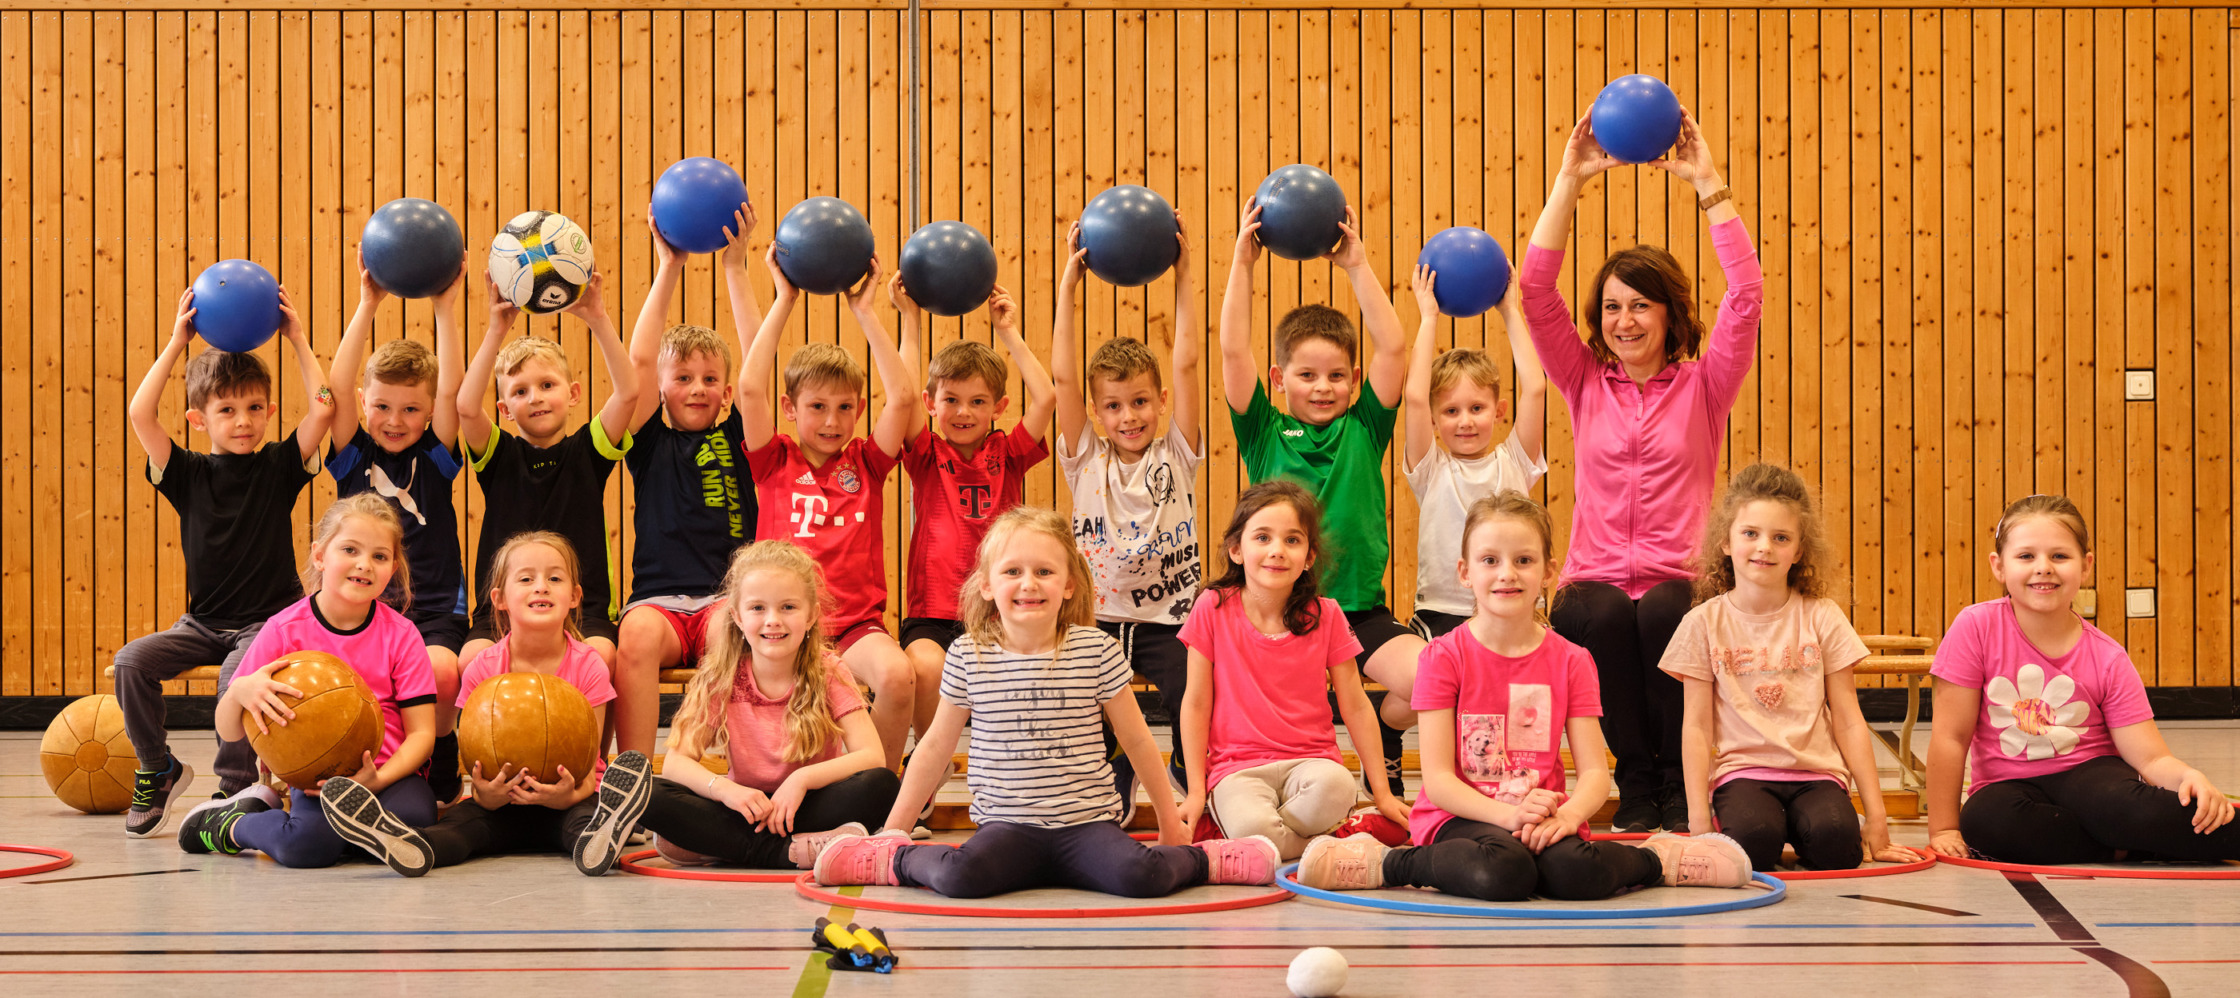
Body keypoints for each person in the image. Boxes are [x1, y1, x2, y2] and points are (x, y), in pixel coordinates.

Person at [1297, 492, 1754, 899]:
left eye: (1523, 560)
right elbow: (1437, 781)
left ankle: (1660, 859)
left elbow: (1595, 772)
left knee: (1577, 873)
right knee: (1503, 871)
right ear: (1464, 572)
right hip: (1461, 816)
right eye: (1490, 560)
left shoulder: (1572, 660)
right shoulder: (1443, 656)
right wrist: (1507, 817)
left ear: (1549, 571)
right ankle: (1387, 863)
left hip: (1542, 817)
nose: (1507, 574)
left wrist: (1567, 814)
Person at [813, 507, 1278, 897]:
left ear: (1069, 584)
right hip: (1007, 828)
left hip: (1088, 826)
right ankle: (891, 861)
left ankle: (1206, 861)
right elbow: (933, 749)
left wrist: (1172, 829)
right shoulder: (967, 655)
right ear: (987, 585)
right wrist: (894, 831)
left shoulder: (1097, 650)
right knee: (959, 877)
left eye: (1044, 572)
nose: (1029, 583)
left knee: (1143, 875)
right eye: (1012, 572)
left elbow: (1137, 740)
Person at [1522, 107, 1761, 832]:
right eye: (1613, 307)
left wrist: (1708, 183)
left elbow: (1746, 297)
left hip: (1677, 573)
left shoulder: (1705, 384)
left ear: (1668, 314)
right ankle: (1634, 779)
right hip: (1595, 573)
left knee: (1664, 611)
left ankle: (1671, 777)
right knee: (1589, 613)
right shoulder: (1583, 379)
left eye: (1641, 306)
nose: (1625, 320)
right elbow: (1535, 292)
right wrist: (1568, 180)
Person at [115, 283, 333, 837]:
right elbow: (140, 413)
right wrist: (175, 343)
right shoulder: (187, 473)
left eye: (255, 408)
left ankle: (235, 790)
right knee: (131, 663)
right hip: (202, 623)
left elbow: (326, 408)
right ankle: (157, 769)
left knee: (237, 678)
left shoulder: (280, 465)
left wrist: (298, 338)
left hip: (266, 622)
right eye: (227, 410)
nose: (244, 421)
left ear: (270, 411)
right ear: (197, 419)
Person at [1219, 198, 1419, 798]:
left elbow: (1393, 350)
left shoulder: (1366, 426)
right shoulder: (1263, 431)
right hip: (1284, 617)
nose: (1323, 387)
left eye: (1336, 376)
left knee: (1436, 680)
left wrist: (1358, 265)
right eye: (1306, 375)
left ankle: (1386, 735)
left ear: (1355, 381)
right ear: (1279, 379)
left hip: (1359, 612)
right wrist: (1243, 265)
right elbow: (1233, 352)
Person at [1926, 495, 2240, 865]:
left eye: (2060, 556)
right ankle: (2122, 844)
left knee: (2125, 809)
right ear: (1999, 566)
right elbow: (1950, 736)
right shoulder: (1975, 627)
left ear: (2086, 565)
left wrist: (2191, 776)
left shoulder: (2107, 656)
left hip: (2092, 777)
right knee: (1987, 823)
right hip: (2007, 787)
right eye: (2026, 556)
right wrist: (1944, 828)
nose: (2043, 568)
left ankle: (2133, 832)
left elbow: (2151, 758)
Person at [573, 541, 901, 875]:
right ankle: (793, 851)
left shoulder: (829, 670)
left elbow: (872, 756)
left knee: (882, 785)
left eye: (788, 607)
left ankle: (724, 848)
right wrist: (726, 790)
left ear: (812, 614)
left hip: (807, 804)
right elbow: (676, 762)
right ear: (737, 617)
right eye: (758, 608)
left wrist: (801, 780)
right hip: (744, 809)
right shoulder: (722, 676)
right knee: (650, 794)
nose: (773, 620)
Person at [1661, 464, 1920, 868]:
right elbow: (1695, 726)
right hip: (1742, 774)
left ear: (1798, 551)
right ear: (1726, 541)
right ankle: (1763, 827)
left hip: (1817, 774)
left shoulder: (1822, 616)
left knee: (1836, 846)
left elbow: (1850, 719)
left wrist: (1877, 818)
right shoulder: (1703, 623)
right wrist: (1697, 823)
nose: (1764, 546)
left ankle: (1806, 829)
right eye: (1750, 533)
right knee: (1752, 845)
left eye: (1780, 537)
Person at [174, 495, 439, 875]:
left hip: (386, 774)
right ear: (319, 555)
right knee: (305, 849)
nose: (364, 564)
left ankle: (346, 833)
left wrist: (376, 778)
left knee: (416, 820)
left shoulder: (402, 635)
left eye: (379, 557)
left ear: (392, 568)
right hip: (315, 776)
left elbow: (421, 735)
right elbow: (227, 728)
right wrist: (240, 691)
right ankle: (233, 824)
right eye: (350, 549)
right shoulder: (284, 630)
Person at [737, 253, 923, 773]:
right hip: (785, 628)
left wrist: (866, 311)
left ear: (859, 410)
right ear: (791, 408)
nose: (832, 420)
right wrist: (784, 299)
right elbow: (750, 388)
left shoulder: (867, 461)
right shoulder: (773, 460)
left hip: (855, 627)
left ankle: (879, 789)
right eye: (817, 407)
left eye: (845, 407)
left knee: (897, 676)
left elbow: (904, 395)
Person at [1052, 215, 1201, 811]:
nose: (1128, 417)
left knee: (1196, 685)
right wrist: (1068, 287)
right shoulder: (1084, 456)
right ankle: (1110, 783)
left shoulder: (1177, 453)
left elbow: (1187, 362)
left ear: (1161, 401)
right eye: (1112, 406)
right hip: (1100, 621)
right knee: (1093, 699)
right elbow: (1063, 374)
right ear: (1096, 410)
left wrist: (1184, 275)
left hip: (1172, 621)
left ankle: (1192, 787)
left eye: (1141, 402)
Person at [896, 284, 1055, 833]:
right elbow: (898, 391)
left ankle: (1024, 787)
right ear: (930, 403)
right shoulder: (923, 451)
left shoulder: (1007, 452)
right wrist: (909, 321)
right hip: (934, 608)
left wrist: (1008, 330)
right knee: (923, 667)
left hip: (1001, 610)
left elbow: (1047, 399)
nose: (963, 412)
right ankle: (924, 774)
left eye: (978, 401)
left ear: (998, 407)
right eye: (951, 400)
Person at [1176, 481, 1406, 860]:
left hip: (1313, 764)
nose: (1277, 551)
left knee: (1336, 789)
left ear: (1310, 556)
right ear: (1236, 549)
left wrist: (1381, 793)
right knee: (1253, 825)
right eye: (1262, 537)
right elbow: (1196, 702)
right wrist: (1198, 792)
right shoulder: (1212, 607)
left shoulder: (1327, 614)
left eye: (1292, 540)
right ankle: (1340, 842)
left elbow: (1356, 705)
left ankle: (1254, 846)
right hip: (1238, 769)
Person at [612, 205, 762, 756]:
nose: (696, 388)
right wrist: (668, 267)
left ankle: (687, 760)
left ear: (727, 392)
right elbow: (640, 357)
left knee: (737, 629)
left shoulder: (745, 439)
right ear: (663, 389)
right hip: (660, 603)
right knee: (635, 637)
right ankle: (633, 770)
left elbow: (756, 365)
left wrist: (736, 269)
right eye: (682, 379)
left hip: (725, 598)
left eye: (709, 379)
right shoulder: (650, 441)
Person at [327, 260, 470, 795]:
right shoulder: (352, 454)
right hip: (364, 609)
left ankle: (441, 751)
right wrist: (367, 304)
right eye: (382, 406)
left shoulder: (435, 456)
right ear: (365, 403)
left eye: (411, 409)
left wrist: (445, 308)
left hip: (434, 607)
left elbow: (455, 391)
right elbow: (336, 391)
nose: (394, 419)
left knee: (442, 673)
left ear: (430, 410)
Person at [455, 265, 639, 672]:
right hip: (502, 610)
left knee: (602, 656)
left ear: (573, 394)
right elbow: (466, 406)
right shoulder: (499, 455)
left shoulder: (588, 450)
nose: (535, 398)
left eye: (547, 385)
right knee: (470, 659)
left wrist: (598, 318)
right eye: (520, 392)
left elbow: (628, 393)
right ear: (504, 410)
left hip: (581, 608)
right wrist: (494, 332)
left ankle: (594, 741)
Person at [1402, 264, 1546, 640]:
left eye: (1477, 408)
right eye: (1451, 411)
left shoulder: (1514, 460)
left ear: (1498, 412)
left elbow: (1535, 388)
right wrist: (1428, 317)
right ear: (1434, 420)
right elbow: (1415, 397)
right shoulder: (1431, 469)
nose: (1465, 421)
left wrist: (1510, 311)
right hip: (1444, 609)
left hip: (1515, 603)